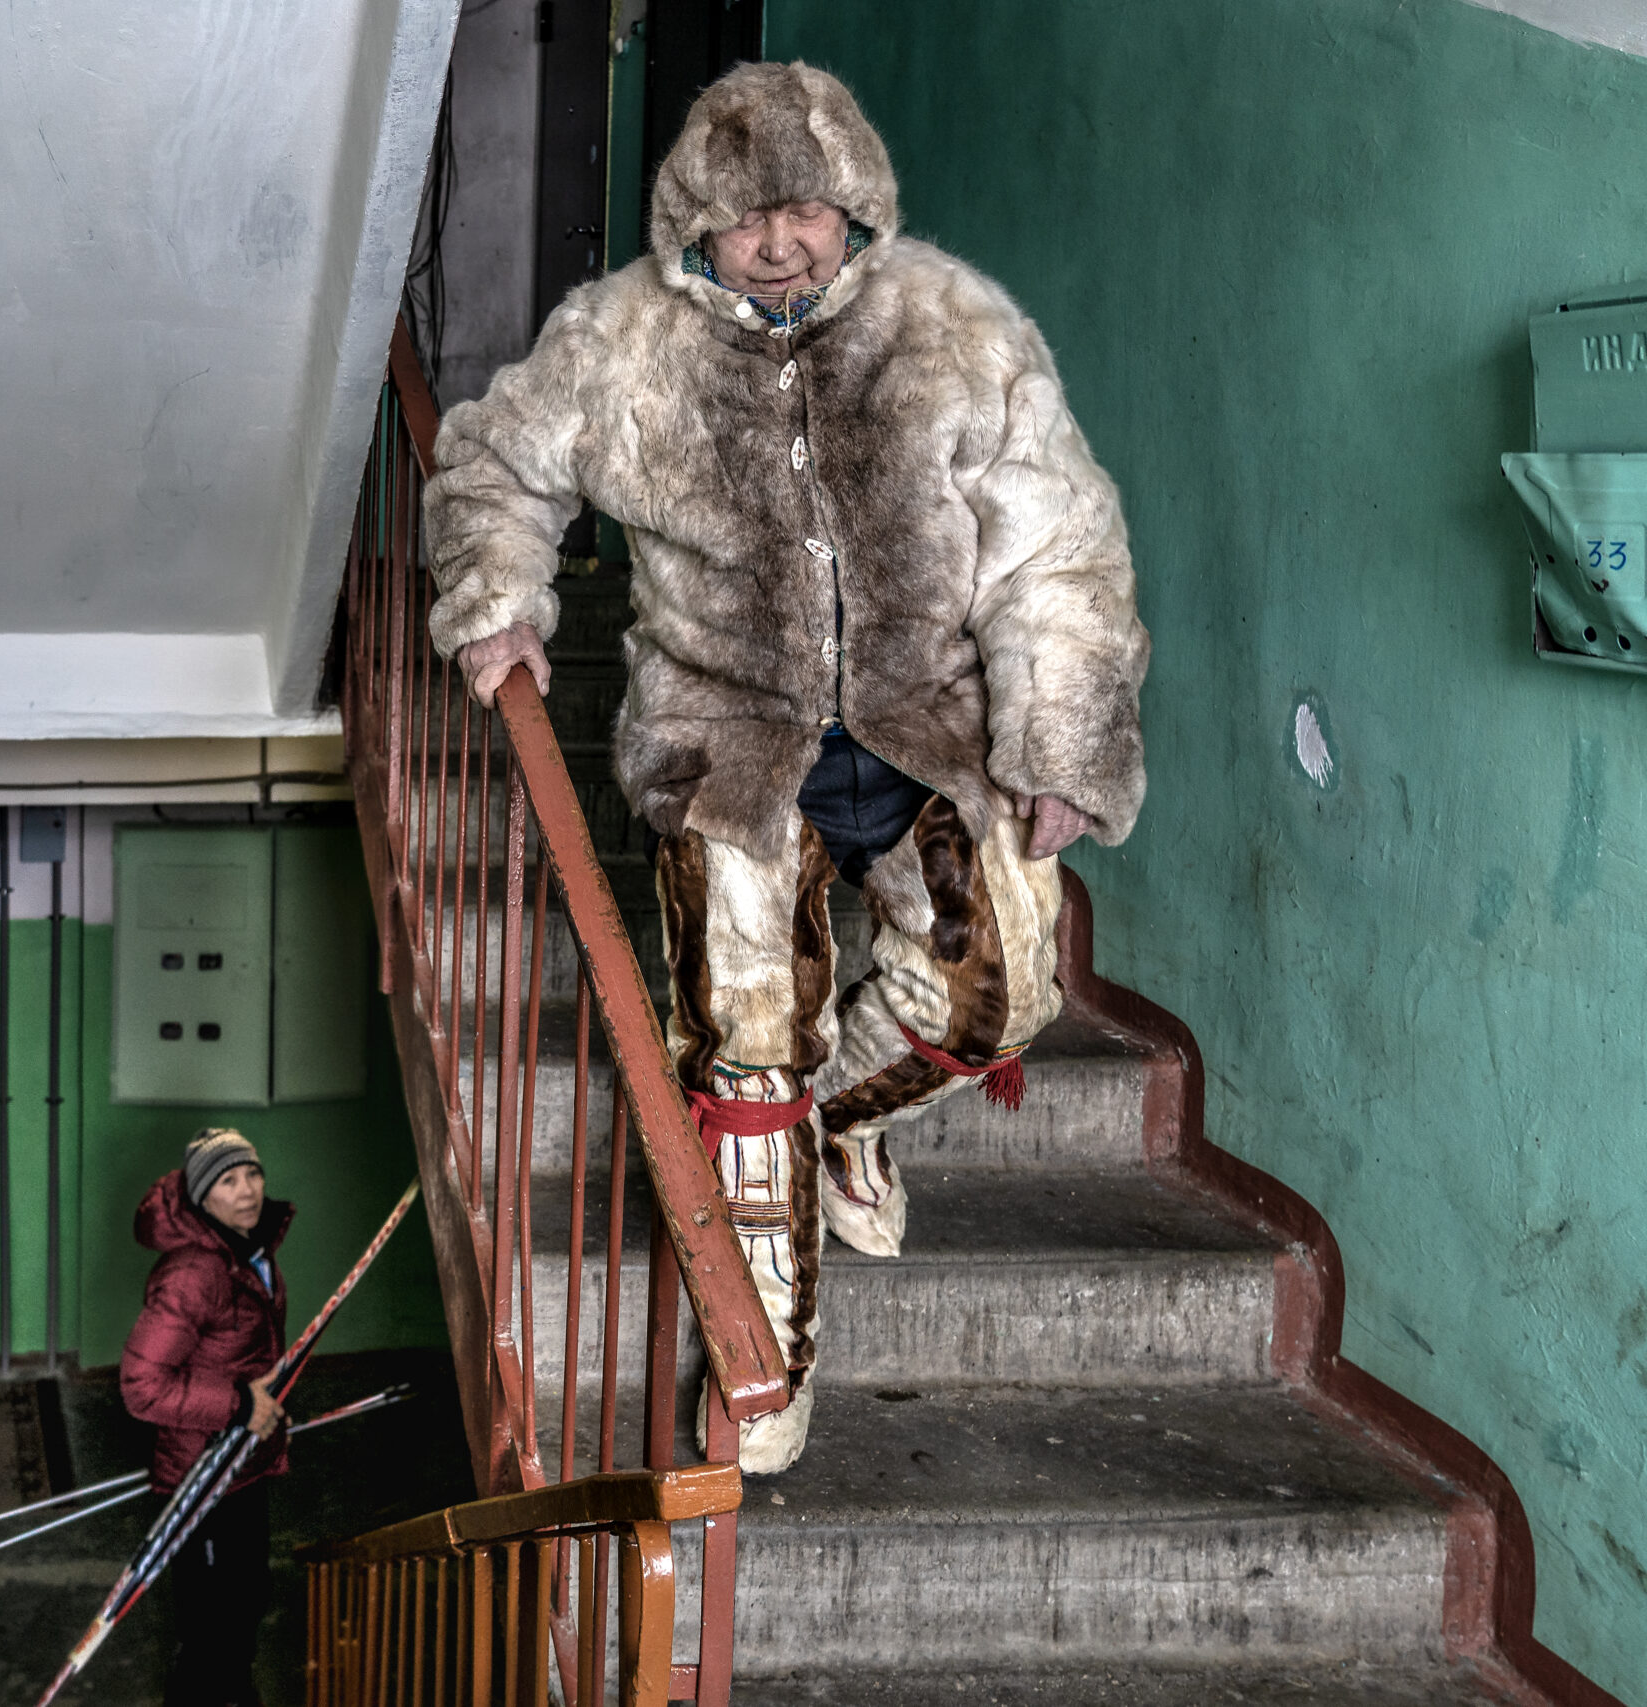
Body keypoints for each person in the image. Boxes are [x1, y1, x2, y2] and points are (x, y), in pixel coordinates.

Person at [422, 61, 1148, 1474]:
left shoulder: (952, 322)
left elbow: (1056, 542)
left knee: (1002, 993)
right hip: (725, 744)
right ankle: (769, 1363)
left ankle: (837, 1127)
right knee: (747, 1061)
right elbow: (496, 465)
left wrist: (1061, 739)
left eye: (811, 211)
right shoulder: (615, 339)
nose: (784, 241)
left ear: (853, 206)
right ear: (697, 219)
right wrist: (496, 594)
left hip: (925, 723)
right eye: (752, 217)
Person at [121, 1129, 293, 1707]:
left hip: (243, 1461)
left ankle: (235, 1693)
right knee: (209, 1627)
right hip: (202, 1472)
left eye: (253, 1174)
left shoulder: (248, 1250)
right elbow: (142, 1387)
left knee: (244, 1599)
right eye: (227, 1181)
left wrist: (261, 1404)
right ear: (201, 1198)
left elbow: (244, 1352)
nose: (247, 1191)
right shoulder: (194, 1273)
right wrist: (240, 1404)